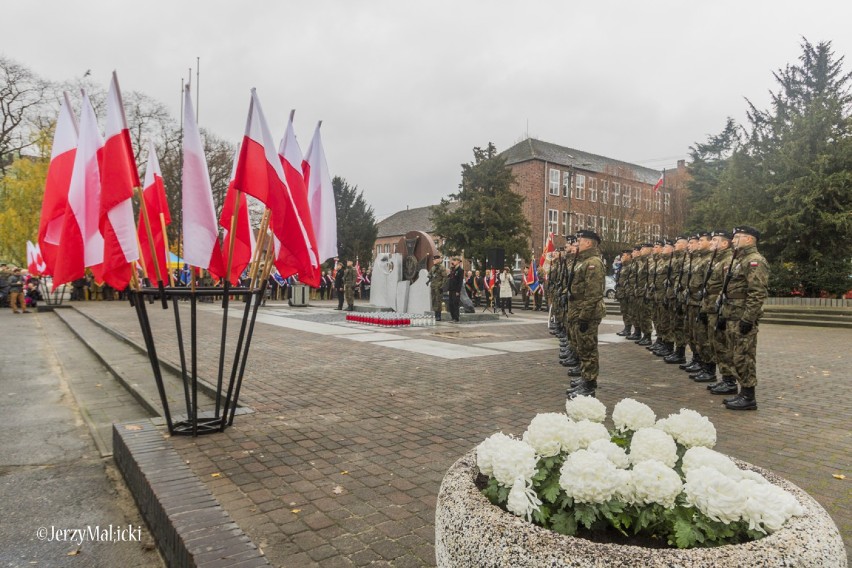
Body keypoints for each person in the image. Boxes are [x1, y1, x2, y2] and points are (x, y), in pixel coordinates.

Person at [720, 226, 768, 411]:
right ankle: (742, 392)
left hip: (742, 316)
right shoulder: (739, 259)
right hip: (733, 314)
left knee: (744, 356)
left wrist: (748, 319)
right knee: (735, 355)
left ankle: (749, 396)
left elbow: (756, 293)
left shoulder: (754, 261)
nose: (733, 240)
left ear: (749, 240)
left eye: (738, 237)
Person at [565, 230, 606, 399]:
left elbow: (593, 294)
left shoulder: (593, 263)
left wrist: (584, 316)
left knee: (588, 348)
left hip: (586, 313)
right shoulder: (583, 261)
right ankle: (585, 378)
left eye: (580, 241)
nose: (578, 243)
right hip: (578, 310)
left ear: (589, 243)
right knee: (582, 347)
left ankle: (589, 384)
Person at [428, 254, 447, 321]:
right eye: (433, 260)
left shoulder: (442, 267)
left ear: (439, 260)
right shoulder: (433, 268)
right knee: (433, 301)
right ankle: (436, 315)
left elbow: (445, 278)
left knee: (438, 301)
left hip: (438, 287)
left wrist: (442, 286)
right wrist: (430, 276)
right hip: (433, 286)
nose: (434, 261)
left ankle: (438, 316)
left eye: (435, 260)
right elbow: (429, 274)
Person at [446, 256, 464, 323]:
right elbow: (450, 280)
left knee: (455, 304)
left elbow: (460, 282)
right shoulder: (453, 270)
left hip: (456, 290)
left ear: (458, 262)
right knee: (450, 304)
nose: (453, 261)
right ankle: (452, 317)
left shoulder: (460, 270)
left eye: (455, 260)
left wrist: (458, 291)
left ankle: (456, 318)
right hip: (451, 289)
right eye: (453, 260)